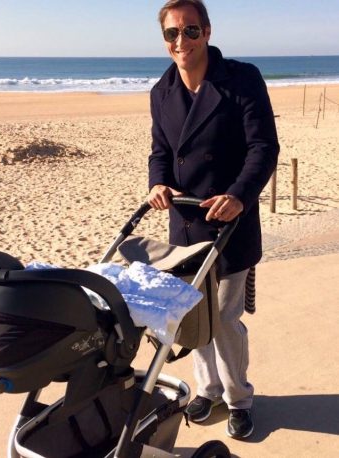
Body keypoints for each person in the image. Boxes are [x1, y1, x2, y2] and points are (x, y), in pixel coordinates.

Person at [146, 0, 279, 440]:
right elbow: (161, 152)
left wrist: (239, 196)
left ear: (207, 31)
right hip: (185, 225)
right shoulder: (161, 91)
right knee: (193, 317)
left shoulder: (241, 79)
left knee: (223, 319)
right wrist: (158, 183)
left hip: (230, 223)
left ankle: (239, 398)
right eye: (172, 33)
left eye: (190, 30)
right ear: (165, 39)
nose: (181, 40)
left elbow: (263, 147)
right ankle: (208, 389)